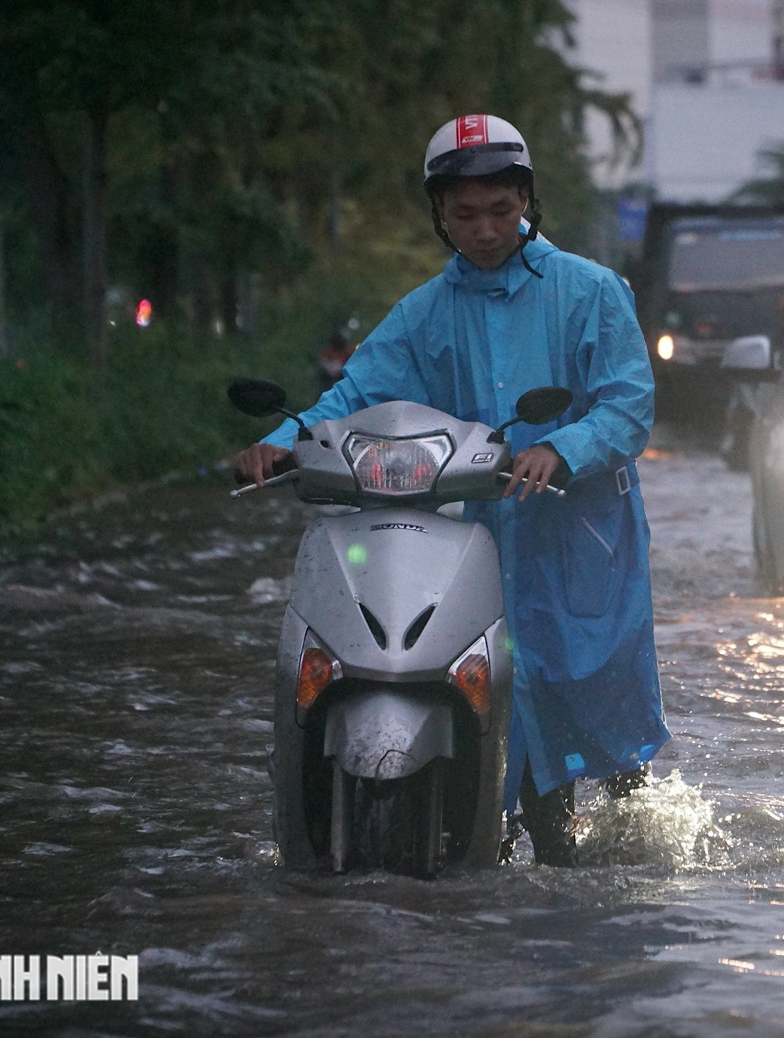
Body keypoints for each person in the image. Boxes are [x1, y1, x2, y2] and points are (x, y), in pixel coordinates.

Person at [235, 114, 668, 867]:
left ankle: (631, 856)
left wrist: (561, 450)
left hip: (579, 533)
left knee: (594, 698)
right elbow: (356, 391)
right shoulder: (424, 313)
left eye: (503, 211)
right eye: (465, 214)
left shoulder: (592, 292)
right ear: (439, 214)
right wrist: (281, 443)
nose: (486, 230)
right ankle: (496, 851)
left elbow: (628, 404)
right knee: (499, 693)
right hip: (480, 534)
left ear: (529, 201)